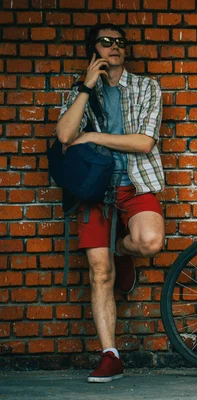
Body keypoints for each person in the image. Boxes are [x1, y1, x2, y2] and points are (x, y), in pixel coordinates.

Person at [55, 23, 165, 383]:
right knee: (100, 274)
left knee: (149, 242)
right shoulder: (81, 91)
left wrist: (94, 136)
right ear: (94, 50)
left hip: (137, 182)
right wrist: (87, 87)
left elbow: (145, 143)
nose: (114, 47)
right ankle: (110, 355)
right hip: (94, 189)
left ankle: (121, 249)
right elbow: (65, 135)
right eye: (106, 42)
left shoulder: (147, 87)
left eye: (119, 42)